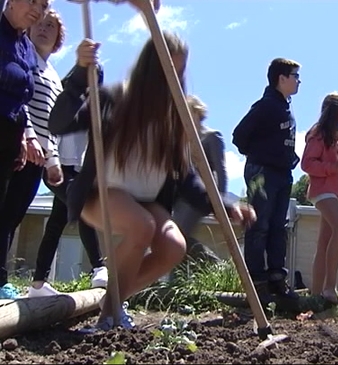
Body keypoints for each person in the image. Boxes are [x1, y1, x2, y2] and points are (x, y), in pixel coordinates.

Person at [49, 31, 255, 331]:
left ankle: (114, 303)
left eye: (178, 71)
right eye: (166, 69)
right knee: (141, 226)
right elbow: (59, 123)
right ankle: (109, 317)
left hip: (145, 201)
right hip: (102, 195)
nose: (172, 78)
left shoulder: (175, 120)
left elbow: (187, 179)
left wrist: (227, 204)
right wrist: (81, 74)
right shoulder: (112, 99)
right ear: (149, 68)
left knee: (173, 246)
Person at [28, 37, 109, 298]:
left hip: (75, 168)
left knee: (56, 223)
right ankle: (99, 267)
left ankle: (38, 284)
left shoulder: (96, 108)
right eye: (89, 74)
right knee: (83, 207)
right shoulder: (66, 94)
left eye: (97, 77)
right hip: (55, 164)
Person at [232, 58, 301, 306]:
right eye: (295, 76)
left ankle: (276, 278)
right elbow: (239, 136)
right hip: (262, 173)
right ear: (281, 78)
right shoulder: (265, 106)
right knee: (259, 224)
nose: (298, 81)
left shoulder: (285, 107)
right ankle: (256, 281)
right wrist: (261, 156)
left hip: (283, 173)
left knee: (277, 226)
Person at [0, 0, 53, 299]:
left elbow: (22, 100)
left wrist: (27, 135)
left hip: (10, 138)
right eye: (32, 0)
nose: (38, 9)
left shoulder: (25, 48)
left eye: (43, 5)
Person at [301, 92, 338, 304]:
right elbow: (307, 164)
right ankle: (330, 288)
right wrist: (333, 167)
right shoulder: (319, 133)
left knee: (325, 241)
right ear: (336, 110)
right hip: (322, 190)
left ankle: (316, 294)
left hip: (337, 192)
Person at [172, 94, 226, 265]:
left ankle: (215, 266)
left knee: (178, 236)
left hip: (201, 196)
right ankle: (212, 266)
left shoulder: (211, 137)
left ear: (196, 112)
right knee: (176, 236)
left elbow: (221, 170)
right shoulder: (182, 139)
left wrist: (219, 201)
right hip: (181, 196)